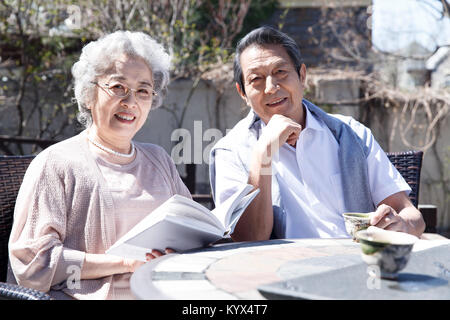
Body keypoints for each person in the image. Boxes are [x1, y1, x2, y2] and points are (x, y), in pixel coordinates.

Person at [8, 31, 191, 300]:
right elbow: (35, 262)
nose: (130, 101)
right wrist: (126, 263)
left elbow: (189, 228)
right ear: (89, 94)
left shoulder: (159, 159)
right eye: (118, 87)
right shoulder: (57, 163)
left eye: (143, 90)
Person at [209, 26, 425, 242]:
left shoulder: (352, 134)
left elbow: (411, 214)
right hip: (281, 270)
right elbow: (248, 240)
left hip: (356, 263)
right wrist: (262, 155)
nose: (271, 87)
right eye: (256, 79)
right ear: (242, 93)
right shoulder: (230, 151)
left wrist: (402, 224)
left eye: (280, 72)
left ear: (302, 76)